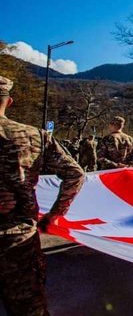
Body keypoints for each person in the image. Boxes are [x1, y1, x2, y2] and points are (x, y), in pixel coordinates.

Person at [0, 75, 85, 316]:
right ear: (10, 101)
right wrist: (54, 214)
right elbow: (75, 174)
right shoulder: (34, 136)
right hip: (17, 241)